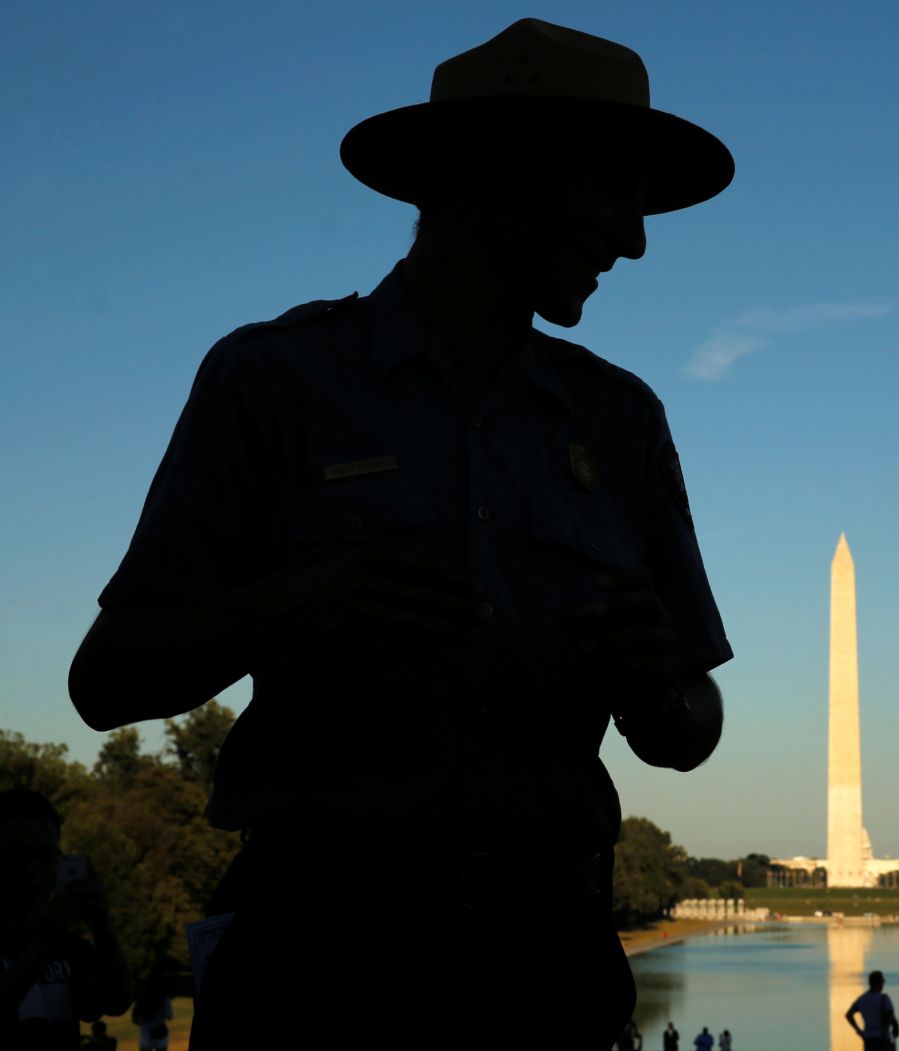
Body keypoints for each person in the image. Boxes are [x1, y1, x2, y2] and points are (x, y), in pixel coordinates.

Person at [67, 18, 734, 1051]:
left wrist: (659, 680)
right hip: (322, 967)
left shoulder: (621, 421)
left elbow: (687, 726)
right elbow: (106, 680)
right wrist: (281, 611)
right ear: (499, 172)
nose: (633, 237)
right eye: (610, 191)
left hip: (545, 970)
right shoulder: (274, 381)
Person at [0, 789, 132, 1050]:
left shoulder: (67, 944)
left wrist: (102, 926)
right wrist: (45, 943)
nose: (32, 869)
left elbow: (115, 1001)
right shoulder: (54, 938)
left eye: (45, 854)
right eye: (16, 855)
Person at [845, 970, 899, 1050]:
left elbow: (848, 1015)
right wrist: (895, 1028)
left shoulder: (862, 999)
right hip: (883, 1040)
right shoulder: (884, 998)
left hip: (868, 1039)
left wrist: (859, 1031)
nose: (882, 985)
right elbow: (891, 1016)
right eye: (882, 983)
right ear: (879, 983)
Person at [131, 959, 174, 1051]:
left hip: (146, 1032)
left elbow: (135, 1018)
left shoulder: (143, 994)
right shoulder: (164, 996)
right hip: (160, 1031)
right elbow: (169, 1016)